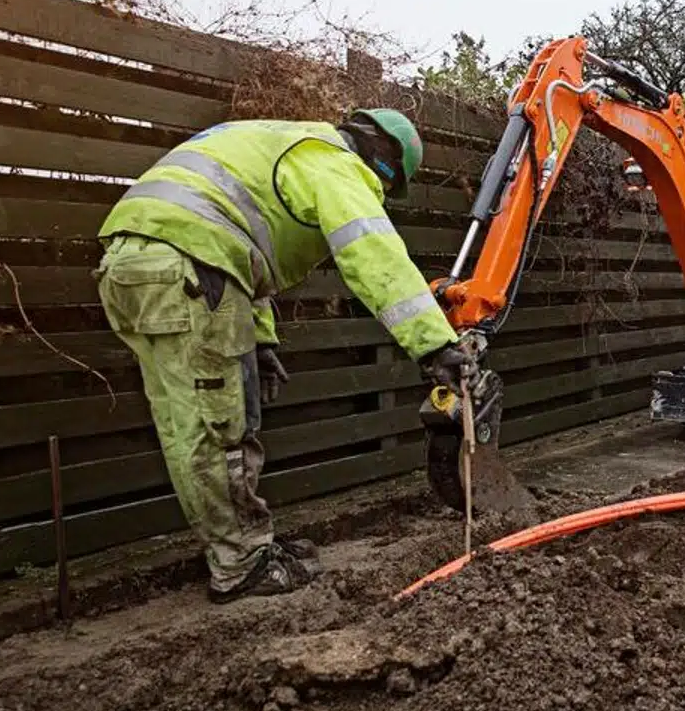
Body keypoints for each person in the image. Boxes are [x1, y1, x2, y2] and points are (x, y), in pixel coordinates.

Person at [93, 109, 469, 604]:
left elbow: (238, 240)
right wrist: (435, 344)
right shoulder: (335, 163)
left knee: (187, 424)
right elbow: (372, 252)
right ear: (384, 162)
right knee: (218, 426)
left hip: (131, 265)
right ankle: (241, 565)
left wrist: (262, 338)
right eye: (384, 187)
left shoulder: (282, 142)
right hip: (190, 267)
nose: (378, 194)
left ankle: (243, 547)